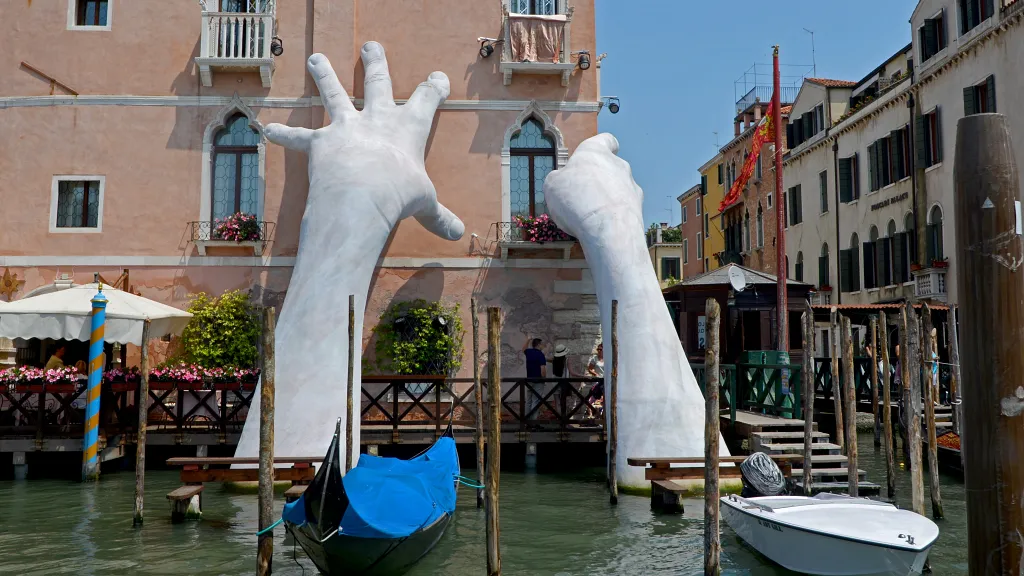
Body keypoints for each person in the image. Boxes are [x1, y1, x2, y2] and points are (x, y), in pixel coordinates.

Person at [522, 337, 547, 420]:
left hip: (529, 379)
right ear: (539, 345)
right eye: (542, 344)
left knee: (528, 400)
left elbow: (524, 349)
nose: (543, 346)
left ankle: (527, 420)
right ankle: (533, 422)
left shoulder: (529, 352)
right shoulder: (540, 354)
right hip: (538, 380)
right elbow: (542, 370)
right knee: (536, 401)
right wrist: (544, 379)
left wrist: (528, 339)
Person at [585, 343, 605, 419]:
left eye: (600, 349)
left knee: (604, 400)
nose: (598, 351)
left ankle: (601, 417)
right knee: (591, 399)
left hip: (605, 381)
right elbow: (589, 368)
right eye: (598, 349)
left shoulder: (607, 358)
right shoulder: (594, 358)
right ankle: (591, 416)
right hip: (597, 381)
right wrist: (595, 373)